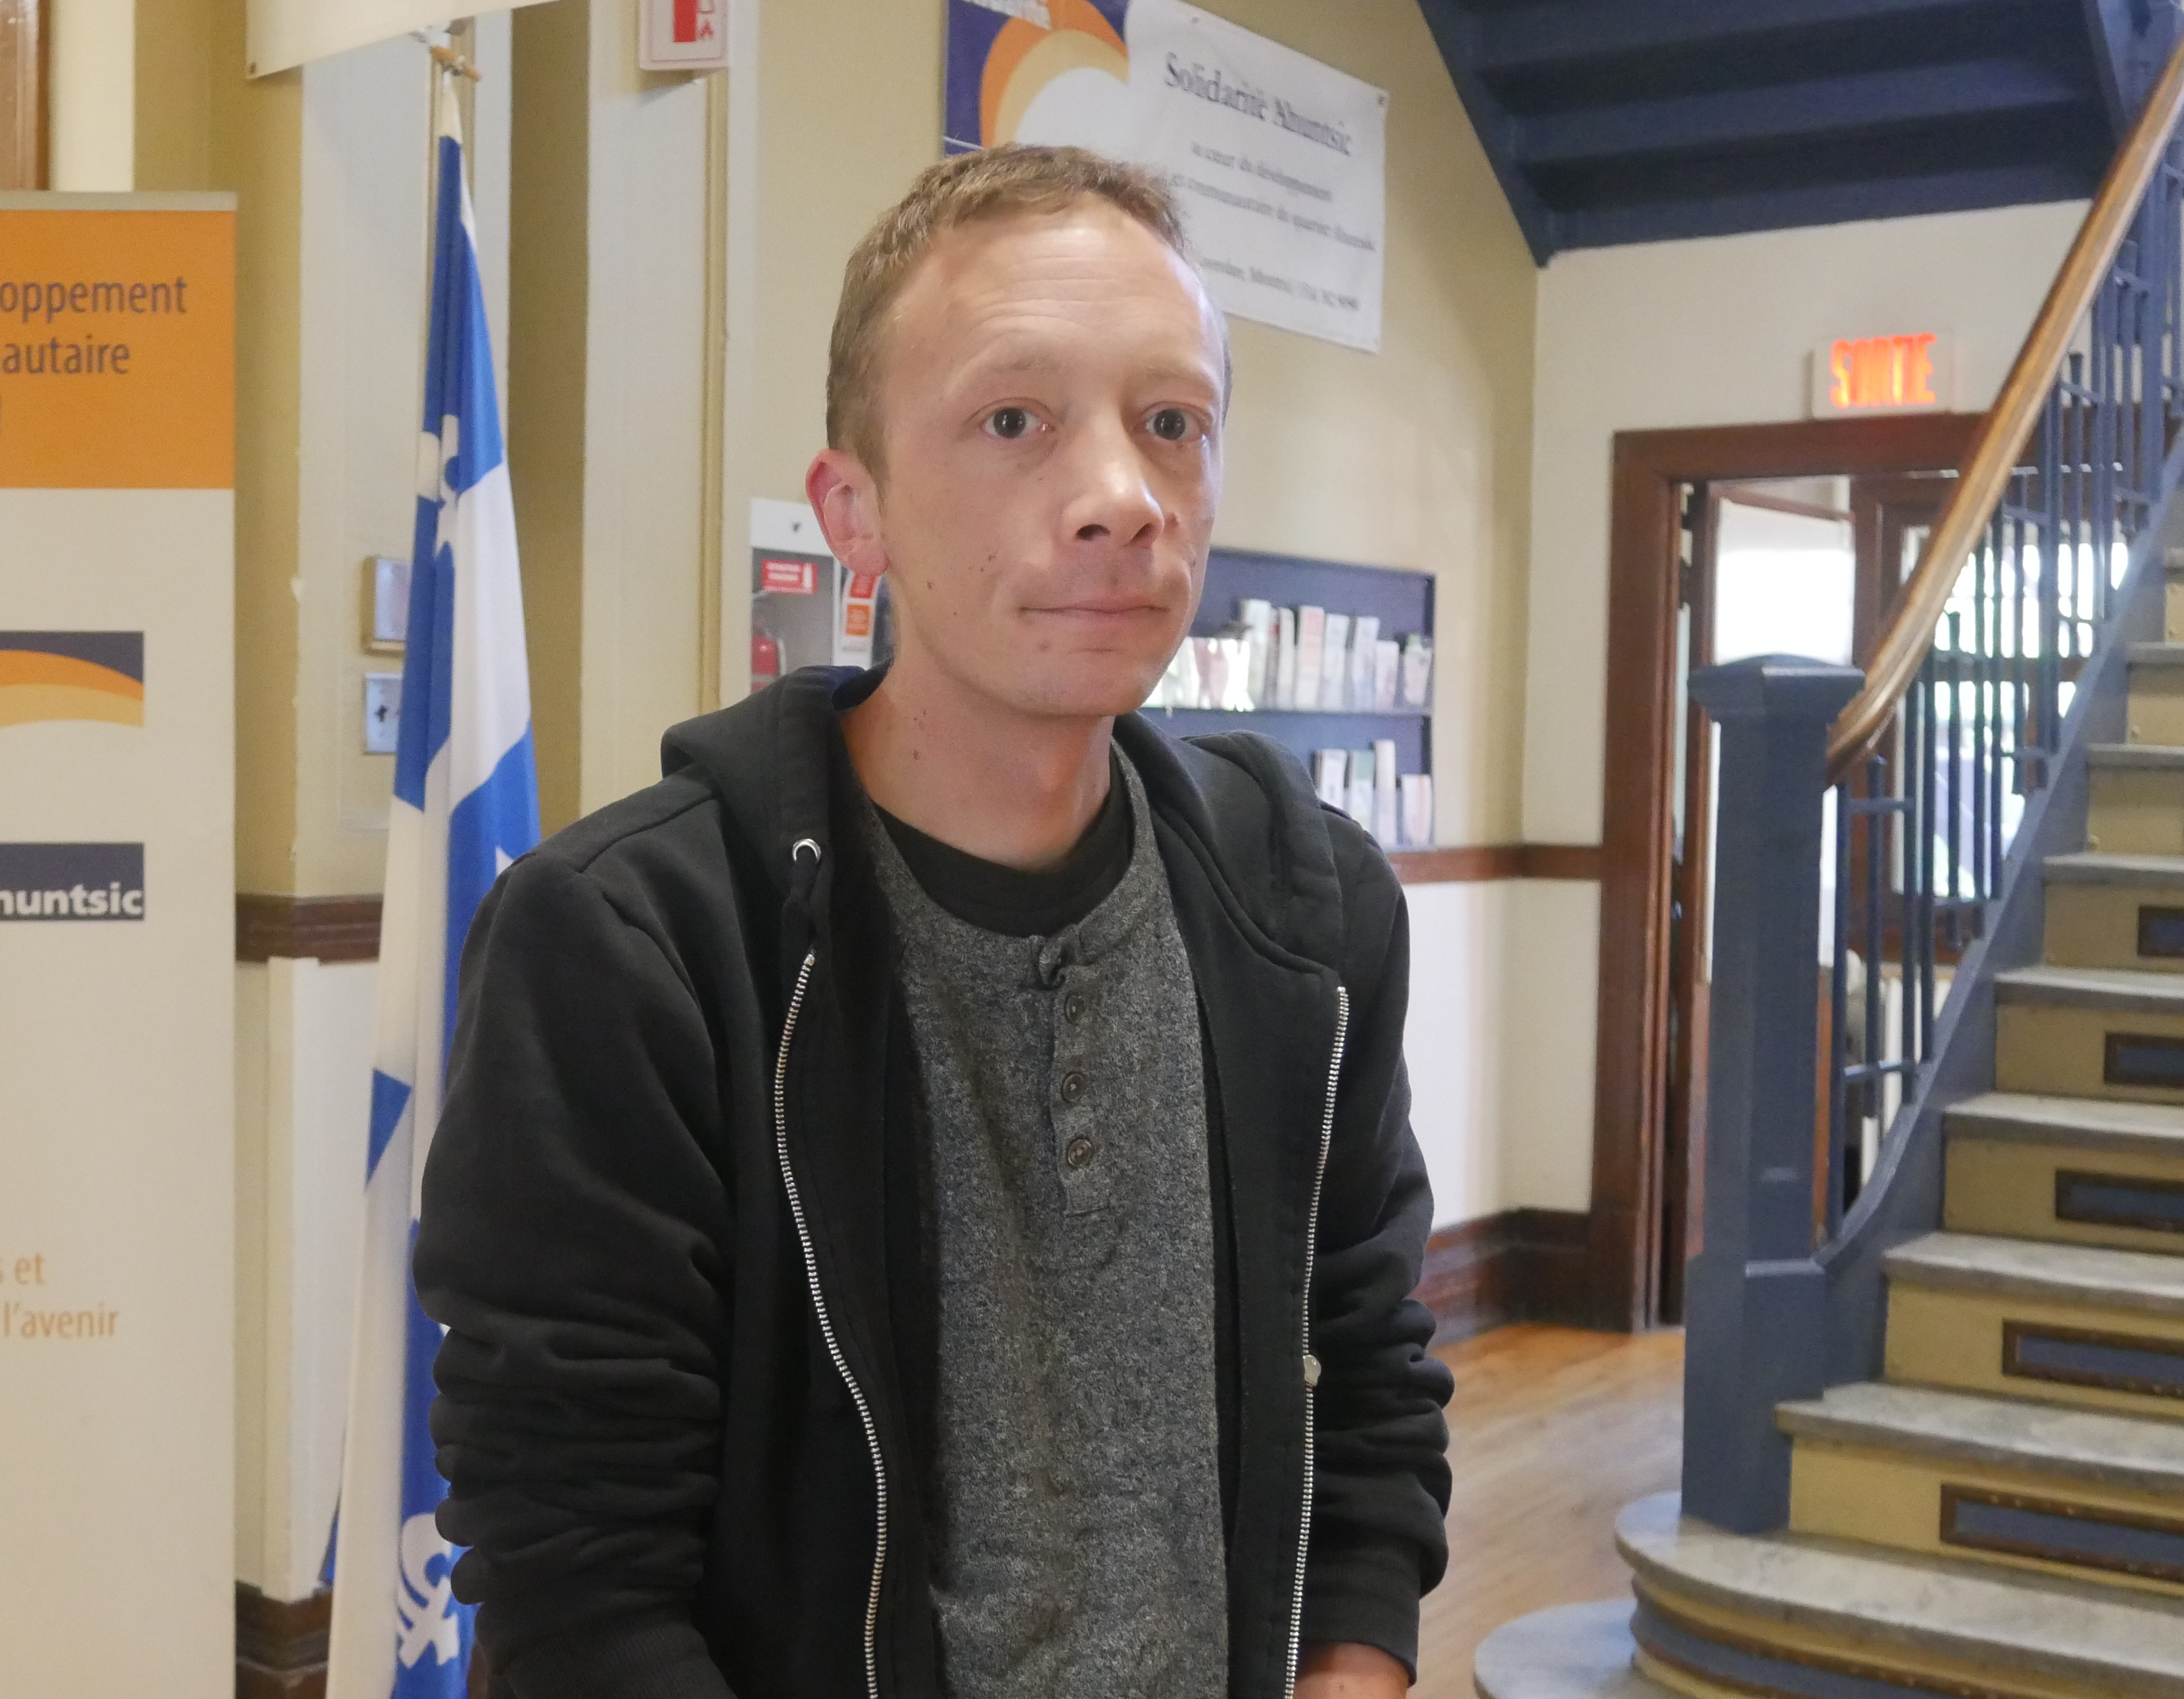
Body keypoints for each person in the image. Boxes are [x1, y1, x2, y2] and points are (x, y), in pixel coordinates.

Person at [413, 145, 1451, 1699]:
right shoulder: (632, 946)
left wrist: (1351, 1671)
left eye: (1170, 422)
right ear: (856, 512)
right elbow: (575, 1565)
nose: (1121, 498)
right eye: (1013, 420)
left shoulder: (1303, 908)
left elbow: (1368, 1366)